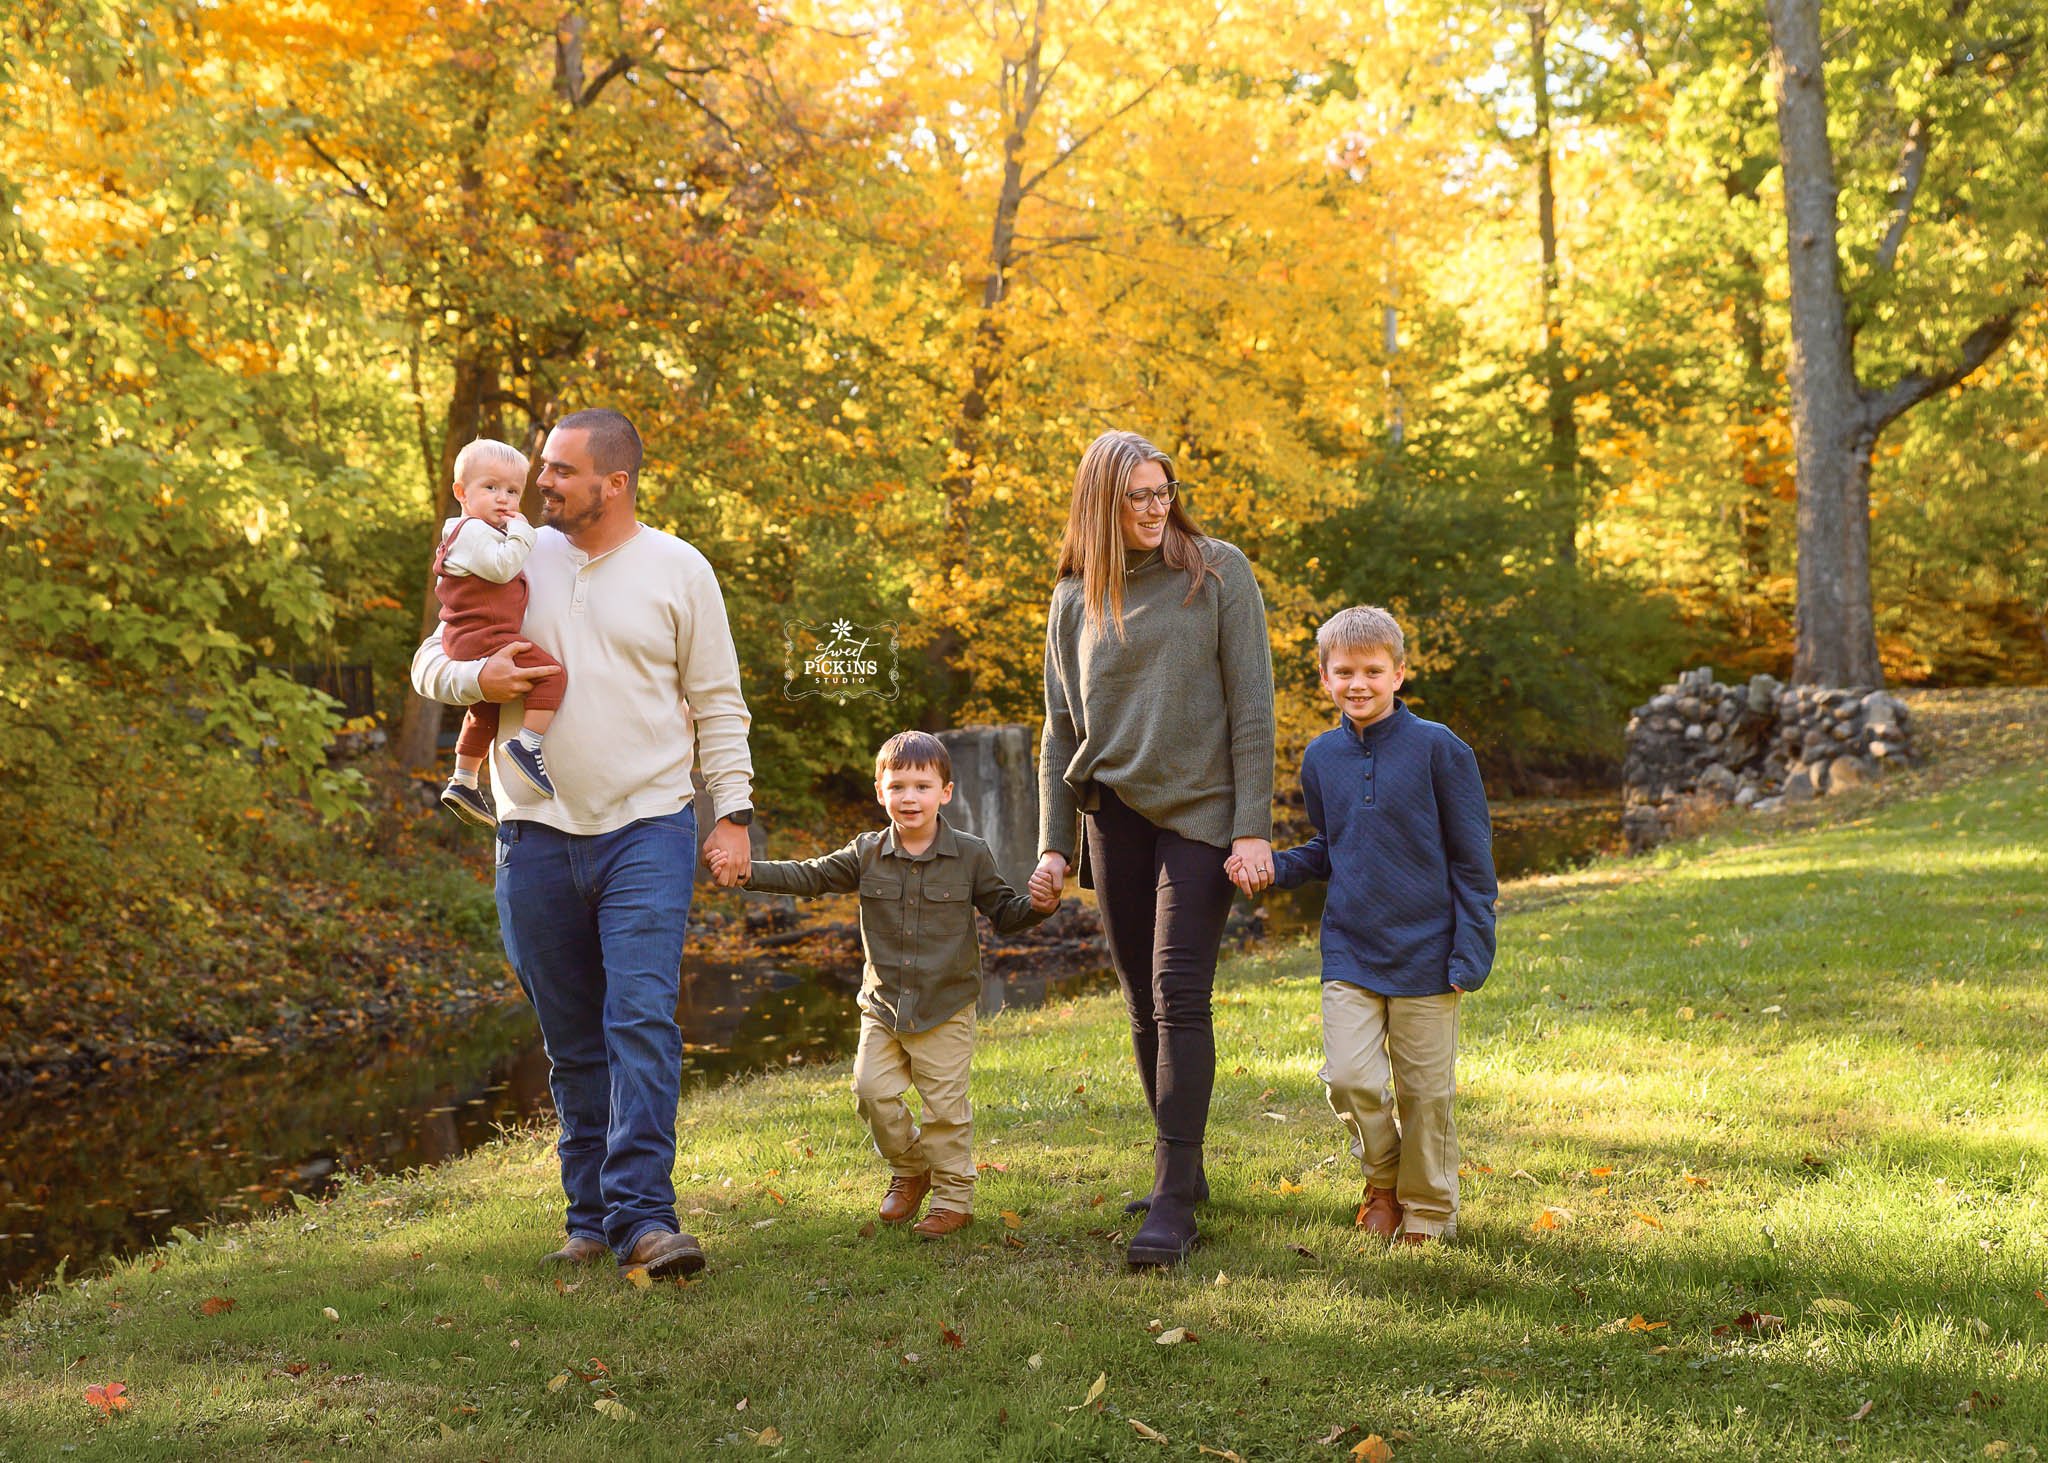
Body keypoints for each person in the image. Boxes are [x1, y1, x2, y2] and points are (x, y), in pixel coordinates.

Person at [411, 408, 756, 1279]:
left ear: (616, 481)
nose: (541, 481)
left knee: (638, 1016)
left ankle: (646, 1217)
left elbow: (718, 700)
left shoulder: (680, 569)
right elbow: (430, 659)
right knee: (571, 1036)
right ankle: (590, 1217)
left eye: (561, 469)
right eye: (541, 467)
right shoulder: (515, 550)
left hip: (648, 824)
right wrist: (475, 678)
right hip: (531, 832)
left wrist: (733, 812)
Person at [1028, 429, 1276, 1268]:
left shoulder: (1217, 571)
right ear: (1100, 501)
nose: (1153, 507)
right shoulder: (1074, 598)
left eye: (1162, 490)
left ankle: (1172, 1198)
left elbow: (1252, 707)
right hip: (1114, 813)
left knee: (1179, 990)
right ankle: (1186, 1169)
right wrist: (1054, 847)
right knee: (1139, 997)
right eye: (1135, 495)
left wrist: (1253, 824)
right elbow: (1061, 729)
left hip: (1202, 811)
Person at [713, 732, 1056, 1238]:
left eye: (922, 786)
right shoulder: (865, 853)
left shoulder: (970, 854)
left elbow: (1005, 913)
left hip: (946, 1004)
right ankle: (911, 1167)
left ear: (945, 792)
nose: (909, 797)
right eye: (897, 786)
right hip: (883, 1004)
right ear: (880, 792)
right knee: (870, 1091)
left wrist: (1041, 907)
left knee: (945, 1111)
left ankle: (954, 1200)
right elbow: (810, 877)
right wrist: (747, 873)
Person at [1255, 606, 1497, 1244]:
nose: (1357, 683)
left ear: (1399, 674)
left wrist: (1470, 951)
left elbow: (1473, 862)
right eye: (1344, 672)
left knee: (1426, 1096)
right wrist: (1276, 869)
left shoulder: (1440, 749)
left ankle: (1428, 1211)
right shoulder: (1321, 757)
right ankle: (1382, 1180)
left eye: (1371, 670)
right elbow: (1331, 846)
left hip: (1428, 951)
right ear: (1324, 679)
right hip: (1351, 949)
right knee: (1349, 1077)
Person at [431, 438, 564, 828]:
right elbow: (503, 568)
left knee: (486, 707)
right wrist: (523, 533)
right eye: (490, 488)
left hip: (472, 636)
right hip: (483, 635)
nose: (503, 499)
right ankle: (527, 747)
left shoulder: (471, 531)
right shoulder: (472, 532)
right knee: (552, 677)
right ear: (461, 492)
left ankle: (465, 779)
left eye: (512, 491)